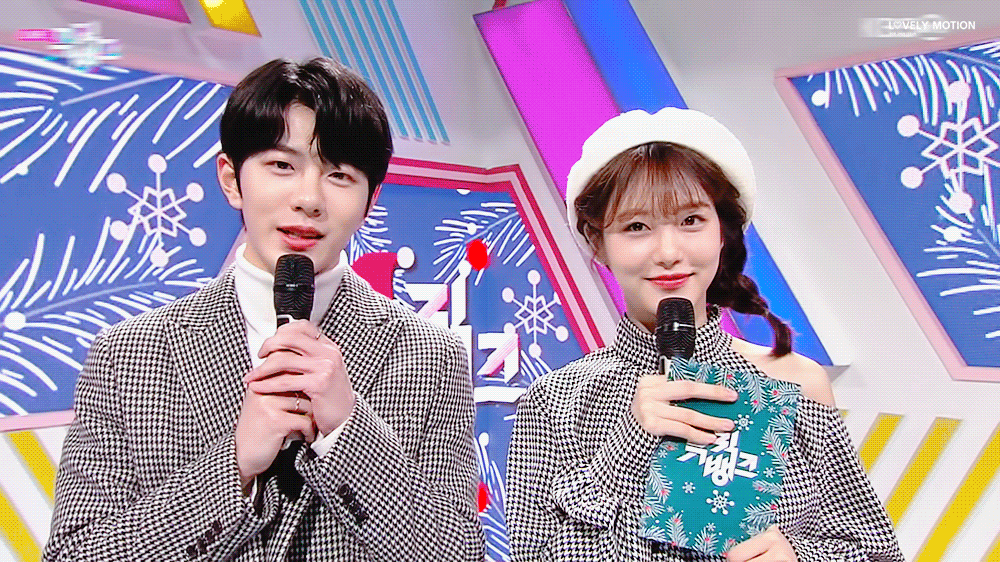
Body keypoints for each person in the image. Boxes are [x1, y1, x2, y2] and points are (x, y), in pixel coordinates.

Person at [45, 58, 484, 561]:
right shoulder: (128, 355)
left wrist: (348, 431)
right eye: (282, 165)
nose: (309, 199)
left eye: (339, 174)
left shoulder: (431, 356)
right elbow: (74, 554)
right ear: (231, 178)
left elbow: (459, 553)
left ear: (370, 200)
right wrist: (232, 466)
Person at [505, 108, 902, 562]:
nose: (669, 252)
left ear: (722, 233)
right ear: (599, 244)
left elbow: (876, 552)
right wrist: (629, 445)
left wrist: (799, 558)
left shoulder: (795, 382)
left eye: (691, 220)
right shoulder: (557, 401)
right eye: (636, 227)